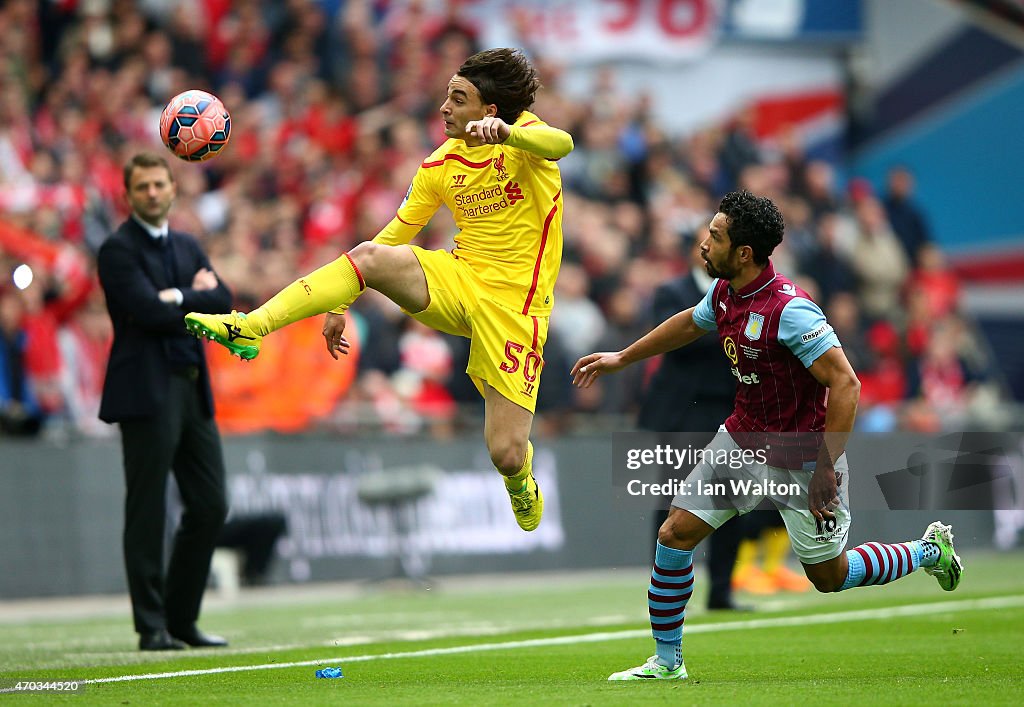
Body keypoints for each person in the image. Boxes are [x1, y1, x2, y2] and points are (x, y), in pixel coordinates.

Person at [571, 191, 963, 681]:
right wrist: (622, 358)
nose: (703, 244)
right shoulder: (724, 294)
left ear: (743, 253)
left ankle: (929, 551)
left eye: (715, 236)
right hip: (741, 440)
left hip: (801, 455)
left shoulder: (792, 311)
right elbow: (688, 325)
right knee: (674, 533)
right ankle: (667, 661)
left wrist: (824, 465)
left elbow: (846, 383)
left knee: (829, 576)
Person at [186, 48, 573, 531]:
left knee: (506, 453)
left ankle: (521, 483)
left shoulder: (527, 142)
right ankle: (249, 326)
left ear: (489, 111)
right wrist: (343, 297)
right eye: (446, 96)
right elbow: (393, 236)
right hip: (458, 280)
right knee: (369, 254)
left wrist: (510, 133)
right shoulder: (440, 165)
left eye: (458, 99)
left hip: (516, 309)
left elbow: (564, 144)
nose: (444, 108)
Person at [98, 152, 232, 651]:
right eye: (142, 187)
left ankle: (180, 619)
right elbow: (147, 311)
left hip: (192, 387)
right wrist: (187, 295)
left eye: (159, 184)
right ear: (128, 195)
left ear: (174, 188)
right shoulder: (116, 250)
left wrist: (174, 297)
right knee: (148, 509)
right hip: (145, 393)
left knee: (211, 504)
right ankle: (151, 626)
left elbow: (225, 298)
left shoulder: (187, 244)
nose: (152, 194)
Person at [637, 229, 748, 611]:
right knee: (672, 501)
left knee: (731, 499)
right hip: (682, 413)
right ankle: (663, 590)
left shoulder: (741, 295)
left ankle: (722, 590)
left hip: (728, 409)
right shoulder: (672, 292)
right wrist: (735, 328)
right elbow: (674, 339)